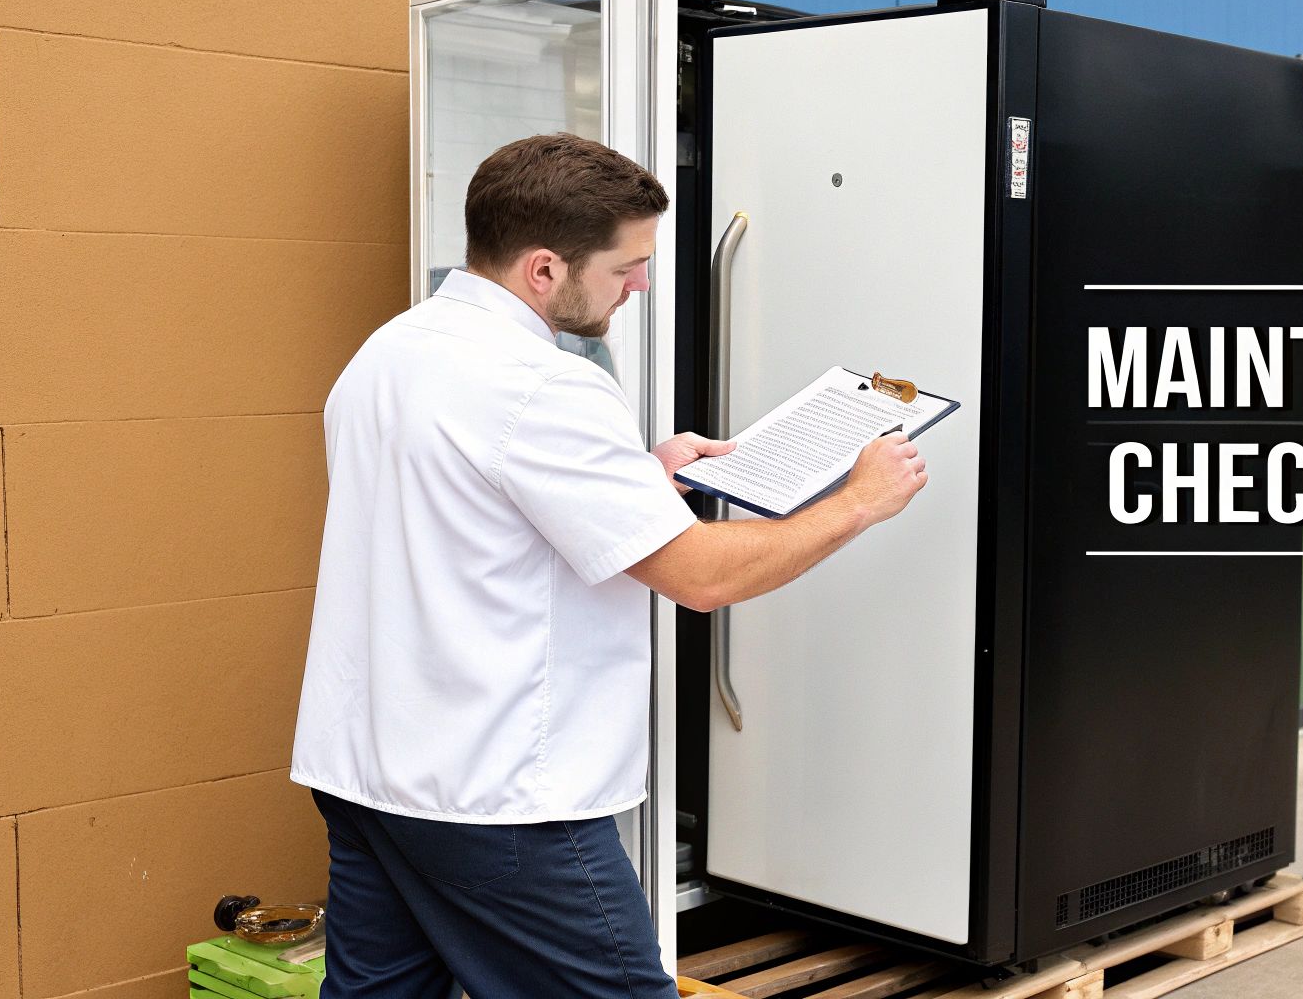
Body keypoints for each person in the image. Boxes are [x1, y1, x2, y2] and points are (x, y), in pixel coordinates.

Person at [289, 133, 928, 998]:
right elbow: (704, 577)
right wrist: (857, 502)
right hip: (501, 799)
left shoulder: (390, 352)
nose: (643, 284)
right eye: (626, 265)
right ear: (544, 268)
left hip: (368, 774)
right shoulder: (544, 387)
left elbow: (462, 514)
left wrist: (641, 476)